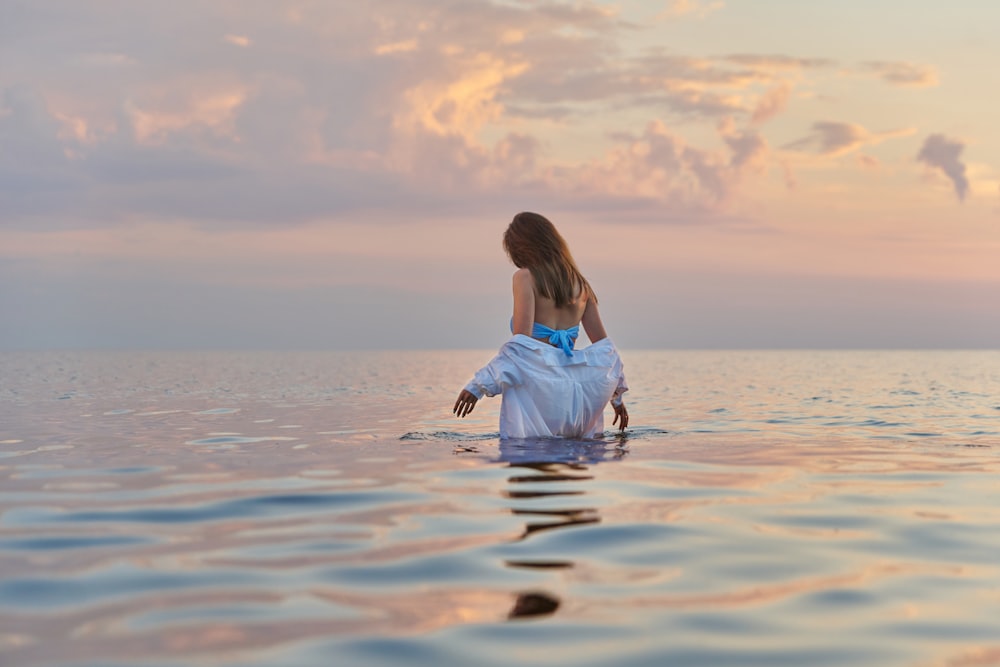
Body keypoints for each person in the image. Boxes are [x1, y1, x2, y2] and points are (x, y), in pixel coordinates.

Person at [453, 212, 628, 439]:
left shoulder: (524, 277)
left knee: (528, 463)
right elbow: (605, 350)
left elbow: (521, 347)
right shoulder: (581, 285)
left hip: (539, 391)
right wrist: (617, 398)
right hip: (574, 396)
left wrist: (478, 386)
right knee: (571, 465)